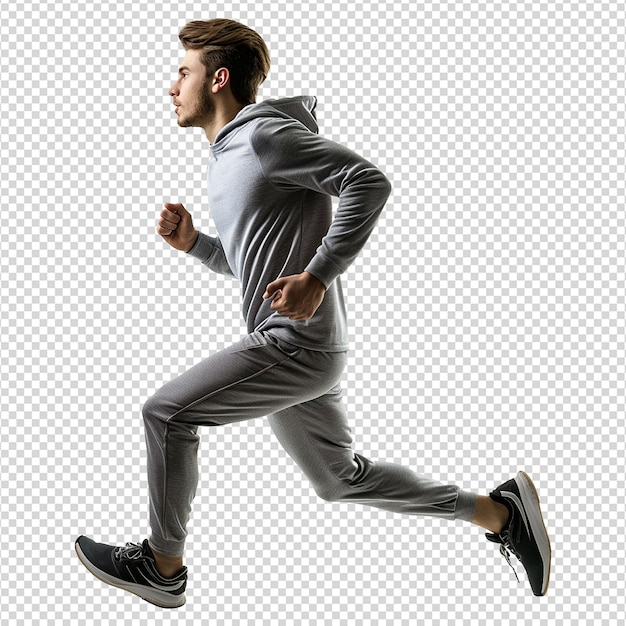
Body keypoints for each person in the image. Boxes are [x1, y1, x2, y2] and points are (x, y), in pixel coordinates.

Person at [75, 18, 551, 607]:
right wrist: (195, 243)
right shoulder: (228, 157)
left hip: (293, 345)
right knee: (338, 480)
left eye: (182, 72)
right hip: (300, 347)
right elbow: (254, 264)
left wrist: (319, 276)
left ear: (218, 78)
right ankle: (499, 513)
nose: (170, 86)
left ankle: (162, 565)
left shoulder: (263, 137)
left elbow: (368, 182)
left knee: (167, 415)